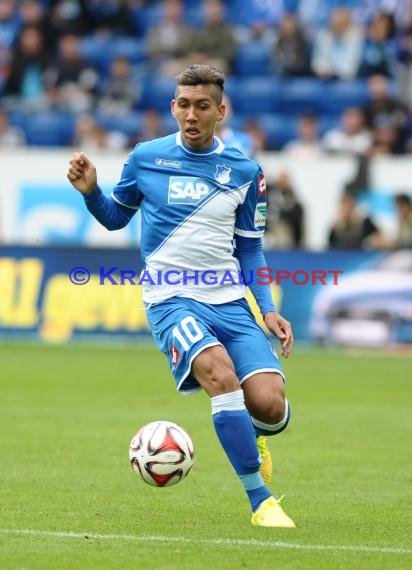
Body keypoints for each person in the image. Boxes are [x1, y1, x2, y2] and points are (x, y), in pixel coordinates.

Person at [67, 64, 295, 528]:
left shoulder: (245, 171)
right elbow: (115, 218)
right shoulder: (145, 158)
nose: (191, 115)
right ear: (173, 107)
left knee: (271, 405)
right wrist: (92, 193)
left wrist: (266, 310)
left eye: (202, 106)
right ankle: (261, 501)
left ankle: (253, 431)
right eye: (184, 105)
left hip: (229, 300)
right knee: (220, 375)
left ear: (221, 111)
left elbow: (250, 247)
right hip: (170, 299)